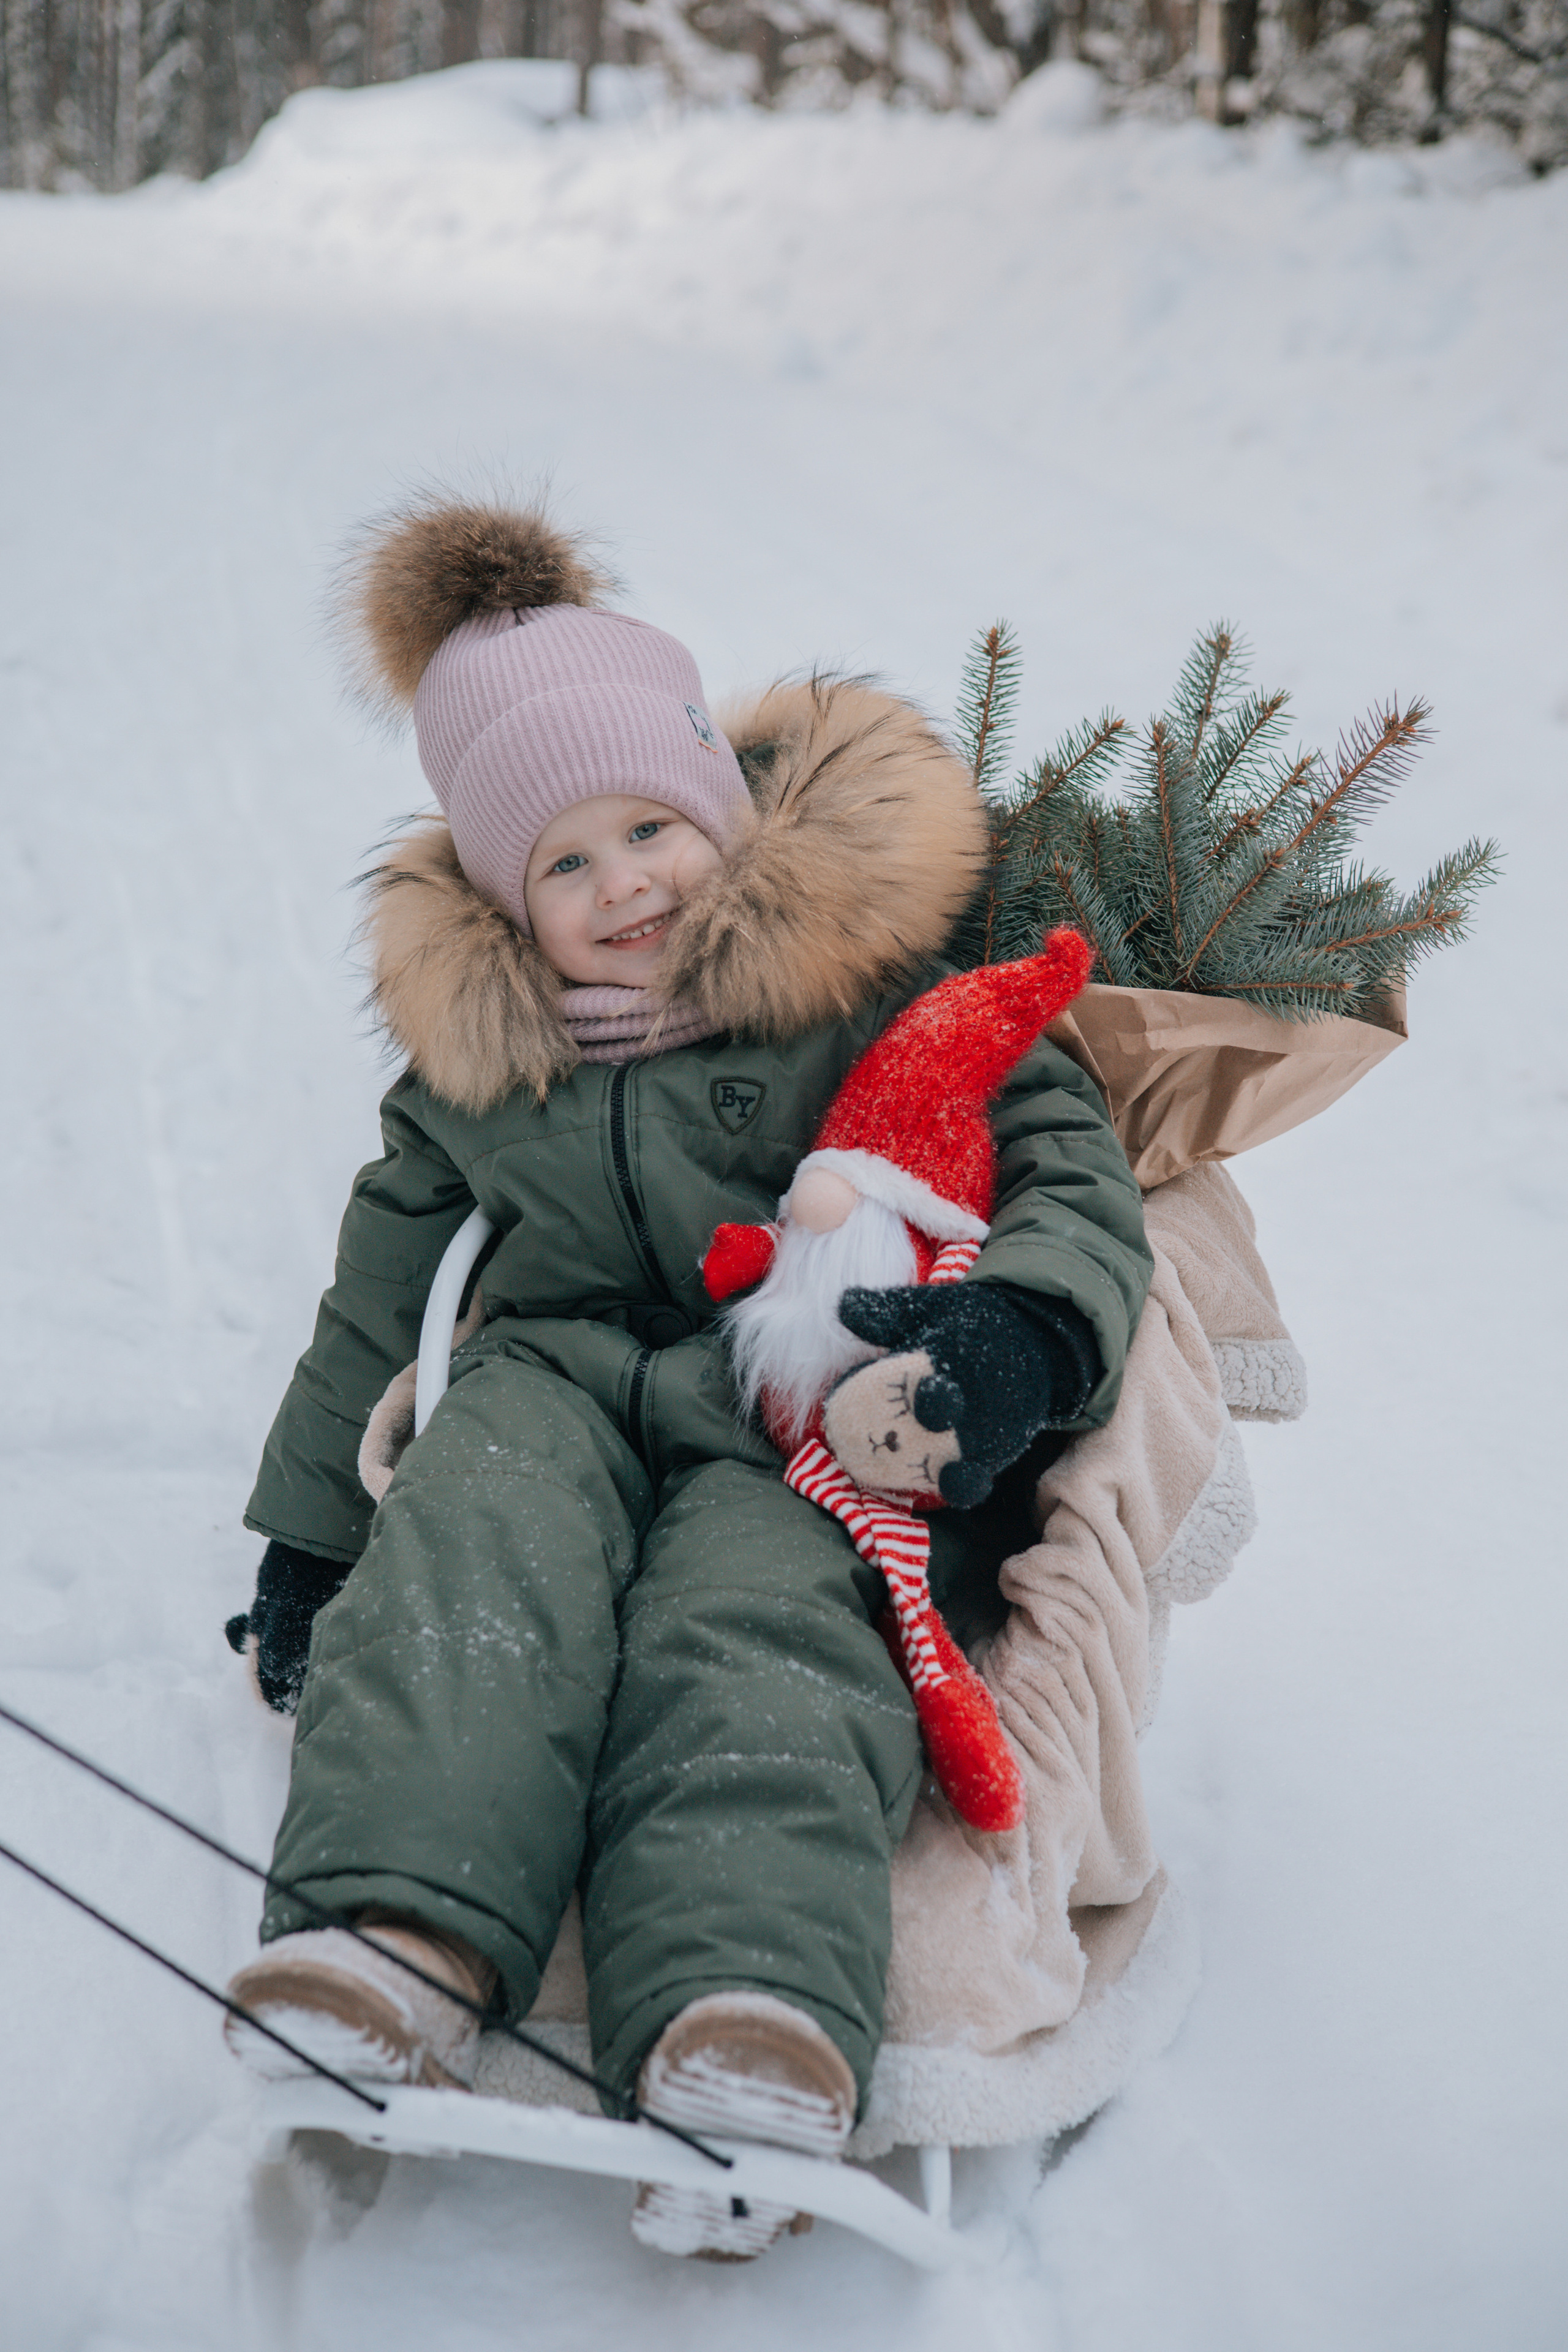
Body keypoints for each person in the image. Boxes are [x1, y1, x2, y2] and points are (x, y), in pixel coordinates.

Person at [221, 496, 1153, 2259]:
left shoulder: (859, 981)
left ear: (720, 821)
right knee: (469, 1559)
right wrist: (305, 1540)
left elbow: (1058, 1151)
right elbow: (384, 1276)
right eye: (567, 864)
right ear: (509, 904)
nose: (624, 882)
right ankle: (391, 1938)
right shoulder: (481, 1065)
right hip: (557, 1379)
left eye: (653, 827)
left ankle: (748, 2007)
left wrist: (1020, 1328)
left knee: (768, 1624)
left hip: (800, 1405)